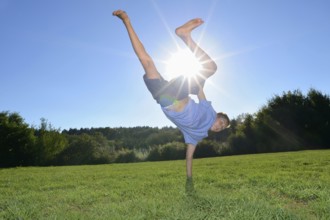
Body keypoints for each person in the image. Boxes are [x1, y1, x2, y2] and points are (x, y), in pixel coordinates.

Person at [113, 10, 230, 179]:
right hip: (180, 91)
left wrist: (189, 178)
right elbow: (199, 91)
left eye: (222, 127)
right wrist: (198, 77)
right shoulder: (210, 111)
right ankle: (185, 36)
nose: (220, 126)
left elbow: (189, 157)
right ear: (218, 115)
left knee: (146, 62)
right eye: (222, 121)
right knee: (211, 68)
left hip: (166, 99)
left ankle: (126, 21)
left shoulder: (196, 136)